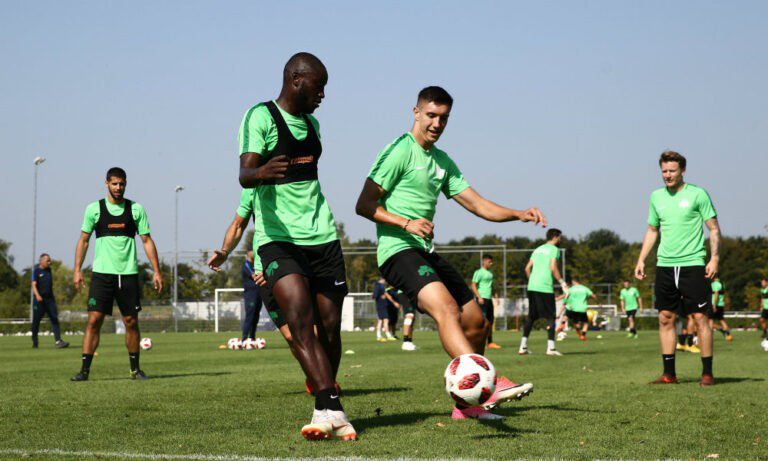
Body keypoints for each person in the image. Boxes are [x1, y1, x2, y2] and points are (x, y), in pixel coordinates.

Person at [356, 86, 539, 420]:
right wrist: (406, 222)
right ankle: (490, 385)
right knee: (447, 309)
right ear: (416, 112)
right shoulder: (399, 151)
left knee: (477, 322)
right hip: (397, 251)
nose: (437, 124)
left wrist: (518, 214)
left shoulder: (442, 161)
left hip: (425, 252)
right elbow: (364, 204)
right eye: (431, 115)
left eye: (444, 118)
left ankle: (467, 407)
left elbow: (478, 204)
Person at [238, 52, 354, 440]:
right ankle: (333, 406)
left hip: (322, 237)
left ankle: (324, 410)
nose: (323, 95)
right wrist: (261, 171)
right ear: (296, 80)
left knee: (330, 330)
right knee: (301, 324)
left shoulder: (313, 125)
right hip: (279, 240)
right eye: (318, 87)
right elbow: (244, 173)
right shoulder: (260, 117)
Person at [634, 151, 720, 386]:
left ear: (682, 171)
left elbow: (713, 228)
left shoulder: (698, 194)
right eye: (664, 171)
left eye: (672, 171)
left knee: (701, 318)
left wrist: (714, 258)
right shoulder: (656, 197)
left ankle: (707, 373)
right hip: (665, 266)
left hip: (693, 264)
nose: (667, 175)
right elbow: (652, 230)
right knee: (665, 318)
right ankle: (669, 374)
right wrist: (641, 259)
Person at [71, 167, 163, 381]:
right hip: (102, 275)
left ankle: (135, 370)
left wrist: (157, 271)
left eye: (121, 184)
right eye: (114, 183)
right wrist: (77, 270)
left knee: (131, 321)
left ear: (126, 184)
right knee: (94, 320)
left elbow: (147, 241)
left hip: (127, 274)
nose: (118, 187)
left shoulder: (136, 209)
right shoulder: (94, 209)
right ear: (106, 184)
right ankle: (84, 371)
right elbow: (83, 240)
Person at [519, 229, 569, 356]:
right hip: (545, 287)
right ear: (555, 237)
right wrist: (563, 283)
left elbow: (527, 268)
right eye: (559, 237)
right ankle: (551, 349)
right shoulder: (554, 249)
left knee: (531, 316)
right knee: (551, 316)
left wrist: (533, 281)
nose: (560, 239)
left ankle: (522, 347)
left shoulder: (537, 249)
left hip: (532, 286)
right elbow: (553, 268)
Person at [31, 253, 69, 349]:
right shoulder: (36, 271)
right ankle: (35, 343)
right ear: (41, 261)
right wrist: (37, 295)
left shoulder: (49, 270)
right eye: (47, 260)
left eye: (50, 260)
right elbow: (33, 285)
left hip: (50, 300)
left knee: (54, 319)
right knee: (36, 322)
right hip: (39, 301)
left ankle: (58, 341)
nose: (49, 262)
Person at [472, 255, 501, 349]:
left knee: (490, 321)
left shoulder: (490, 273)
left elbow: (491, 286)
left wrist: (495, 296)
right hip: (482, 299)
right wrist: (479, 297)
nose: (491, 263)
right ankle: (480, 342)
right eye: (489, 262)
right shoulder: (479, 272)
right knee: (482, 322)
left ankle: (490, 342)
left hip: (489, 299)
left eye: (491, 262)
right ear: (484, 261)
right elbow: (473, 285)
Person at [241, 250, 262, 341]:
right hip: (251, 295)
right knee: (250, 316)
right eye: (252, 251)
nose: (254, 252)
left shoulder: (255, 265)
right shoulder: (247, 265)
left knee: (256, 317)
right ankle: (244, 339)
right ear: (248, 253)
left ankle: (252, 338)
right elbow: (254, 276)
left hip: (259, 294)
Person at [372, 277, 394, 342]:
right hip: (381, 305)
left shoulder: (377, 285)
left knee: (381, 320)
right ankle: (387, 335)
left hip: (380, 305)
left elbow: (374, 295)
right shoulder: (380, 286)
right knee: (385, 320)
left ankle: (379, 335)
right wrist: (382, 296)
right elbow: (375, 296)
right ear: (382, 279)